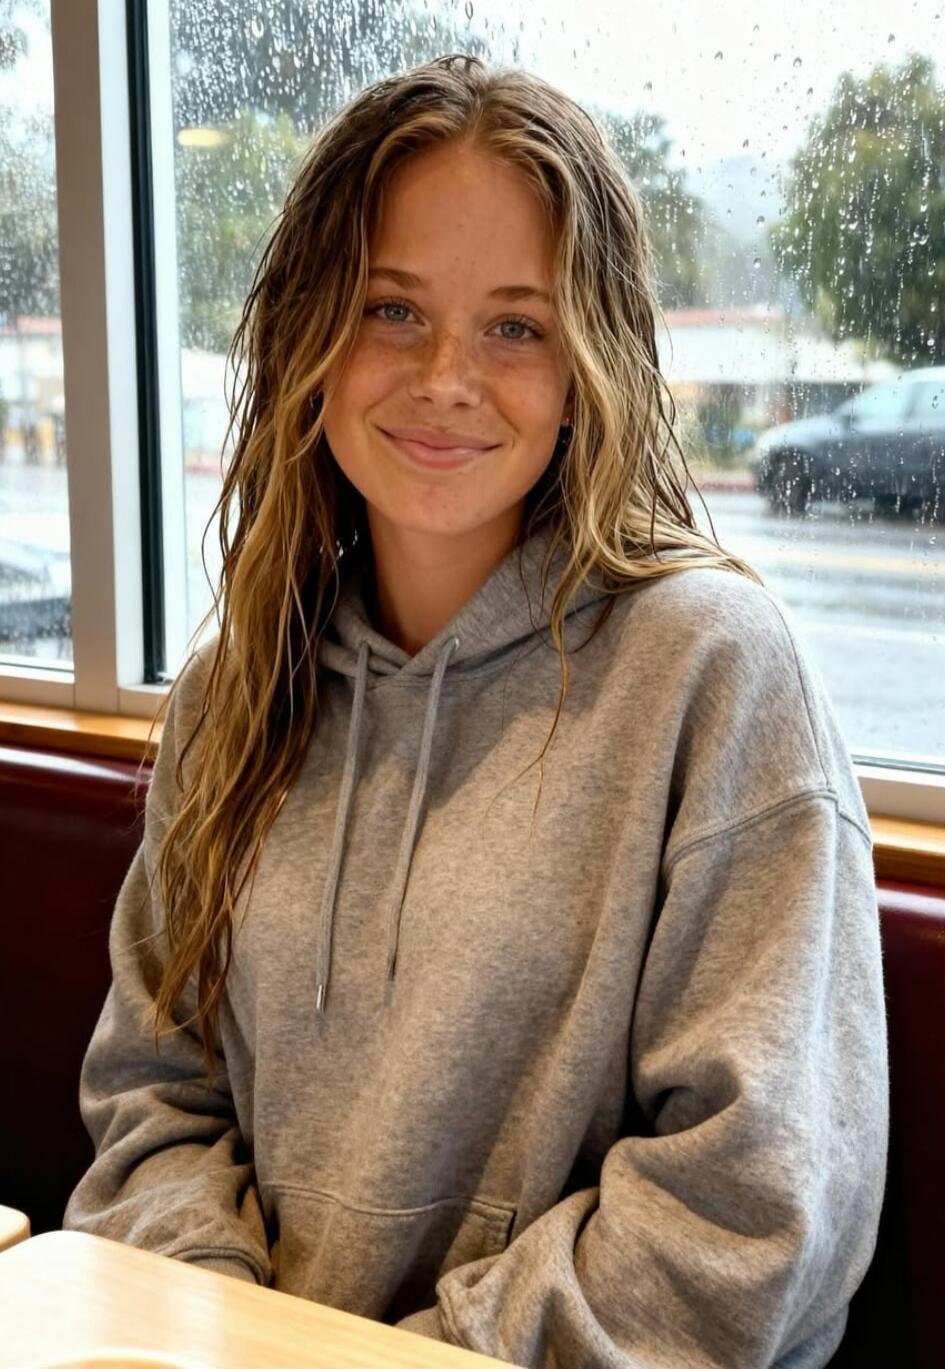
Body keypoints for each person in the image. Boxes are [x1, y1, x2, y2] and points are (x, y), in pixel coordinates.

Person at [62, 52, 888, 1369]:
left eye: (514, 325)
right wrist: (221, 1333)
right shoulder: (239, 686)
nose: (447, 374)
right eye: (392, 309)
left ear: (588, 362)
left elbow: (746, 1208)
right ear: (307, 332)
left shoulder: (713, 669)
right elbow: (151, 1102)